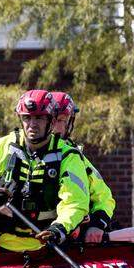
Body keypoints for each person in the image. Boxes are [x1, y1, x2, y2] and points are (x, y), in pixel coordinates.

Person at [0, 89, 90, 254]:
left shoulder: (68, 156)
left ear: (52, 121)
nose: (32, 124)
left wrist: (58, 229)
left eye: (39, 118)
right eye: (27, 118)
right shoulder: (3, 147)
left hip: (46, 247)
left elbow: (75, 202)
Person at [47, 91, 115, 243]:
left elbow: (104, 197)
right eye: (54, 120)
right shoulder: (21, 150)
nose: (57, 125)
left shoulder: (75, 156)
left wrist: (97, 225)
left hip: (67, 240)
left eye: (62, 120)